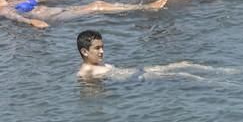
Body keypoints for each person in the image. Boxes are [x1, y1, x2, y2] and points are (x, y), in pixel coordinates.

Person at [0, 0, 168, 29]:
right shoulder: (3, 10)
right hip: (54, 18)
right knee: (97, 6)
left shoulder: (11, 3)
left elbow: (35, 1)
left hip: (57, 11)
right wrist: (32, 22)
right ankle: (147, 8)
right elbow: (17, 19)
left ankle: (143, 7)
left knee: (98, 3)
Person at [76, 30, 205, 82]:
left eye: (102, 47)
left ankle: (223, 71)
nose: (102, 51)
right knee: (183, 75)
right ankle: (218, 84)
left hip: (136, 72)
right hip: (136, 77)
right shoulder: (86, 72)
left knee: (182, 65)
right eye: (97, 48)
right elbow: (89, 94)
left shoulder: (96, 65)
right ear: (85, 52)